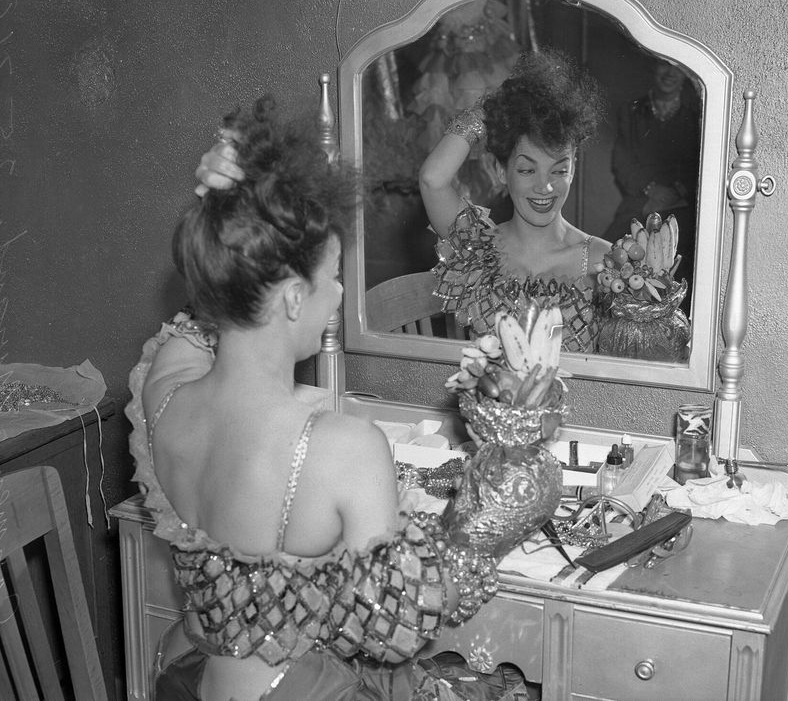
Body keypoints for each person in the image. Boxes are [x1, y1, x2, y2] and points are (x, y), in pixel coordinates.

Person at [131, 96, 551, 700]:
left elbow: (190, 329)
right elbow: (397, 628)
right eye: (331, 276)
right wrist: (481, 535)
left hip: (199, 682)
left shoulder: (165, 393)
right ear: (296, 298)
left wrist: (227, 228)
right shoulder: (341, 449)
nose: (339, 295)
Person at [418, 49, 612, 352]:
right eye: (526, 169)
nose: (544, 186)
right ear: (501, 171)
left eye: (559, 169)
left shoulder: (604, 261)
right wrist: (490, 109)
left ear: (574, 169)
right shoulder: (476, 250)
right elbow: (433, 179)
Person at [601, 57, 701, 288]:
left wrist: (675, 192)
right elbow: (622, 162)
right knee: (611, 256)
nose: (669, 73)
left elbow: (695, 166)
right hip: (641, 198)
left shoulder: (695, 115)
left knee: (683, 259)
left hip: (682, 202)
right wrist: (651, 190)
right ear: (653, 67)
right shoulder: (632, 111)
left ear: (686, 75)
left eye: (678, 68)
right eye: (664, 64)